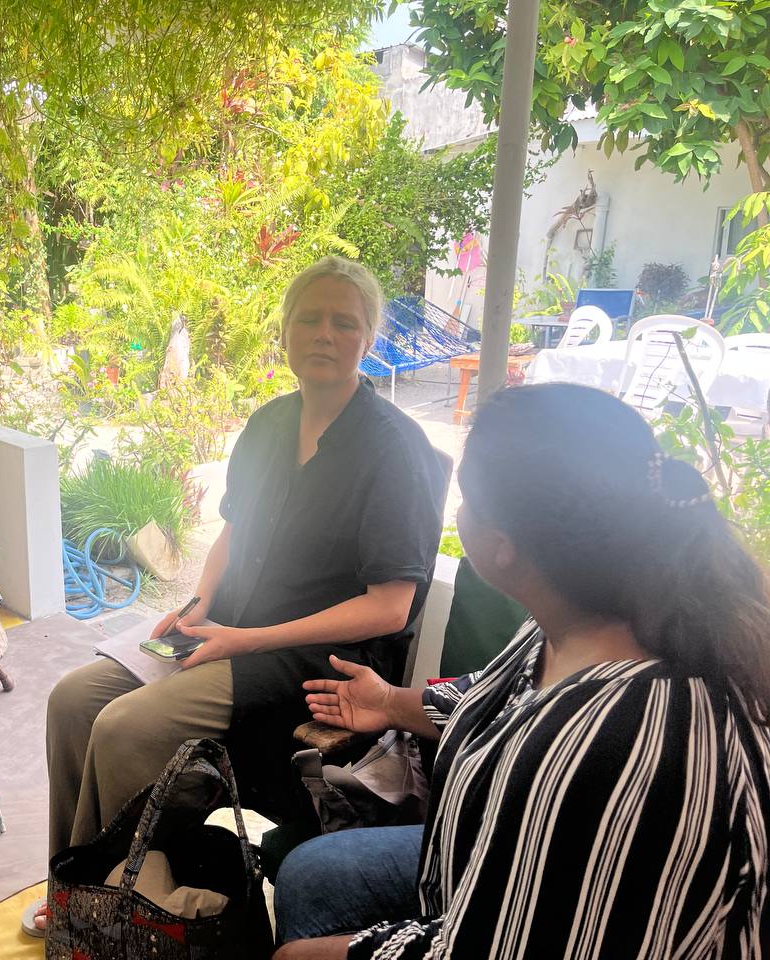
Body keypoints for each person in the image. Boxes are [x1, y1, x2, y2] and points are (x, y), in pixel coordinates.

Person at [273, 383, 770, 958]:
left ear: (502, 544)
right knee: (313, 875)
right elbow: (503, 702)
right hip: (492, 875)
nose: (457, 510)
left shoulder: (619, 750)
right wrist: (390, 703)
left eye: (466, 497)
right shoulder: (587, 610)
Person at [30, 257, 445, 933]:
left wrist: (245, 638)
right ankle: (78, 888)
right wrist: (200, 602)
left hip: (313, 661)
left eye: (345, 321)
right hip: (230, 628)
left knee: (126, 729)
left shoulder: (395, 449)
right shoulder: (270, 425)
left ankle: (125, 908)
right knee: (72, 700)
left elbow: (390, 606)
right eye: (308, 318)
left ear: (369, 339)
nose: (323, 333)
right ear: (283, 332)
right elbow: (235, 528)